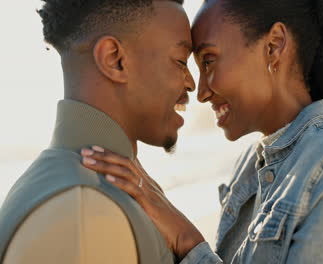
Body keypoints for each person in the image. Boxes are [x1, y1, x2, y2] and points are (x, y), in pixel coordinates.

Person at [80, 0, 323, 263]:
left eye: (209, 61)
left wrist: (187, 239)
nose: (201, 92)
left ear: (273, 46)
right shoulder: (250, 169)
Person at [0, 0, 201, 263]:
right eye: (180, 61)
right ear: (114, 60)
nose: (191, 82)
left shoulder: (104, 193)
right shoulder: (85, 214)